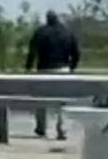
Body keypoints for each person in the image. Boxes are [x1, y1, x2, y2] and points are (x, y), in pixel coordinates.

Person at [25, 10, 81, 140]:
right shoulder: (68, 33)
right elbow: (77, 53)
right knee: (62, 102)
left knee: (40, 100)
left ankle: (41, 127)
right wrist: (72, 67)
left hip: (44, 70)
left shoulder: (40, 32)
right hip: (63, 70)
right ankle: (62, 129)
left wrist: (28, 69)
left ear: (47, 19)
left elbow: (32, 52)